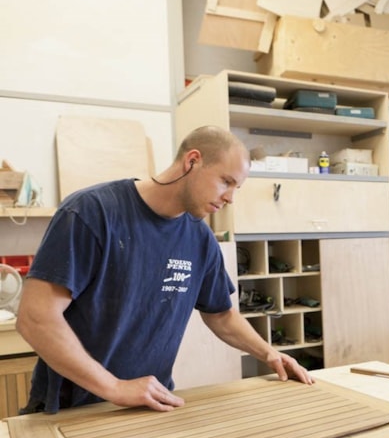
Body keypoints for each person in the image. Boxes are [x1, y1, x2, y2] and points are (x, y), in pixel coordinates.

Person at [16, 125, 314, 414]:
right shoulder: (92, 212)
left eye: (237, 187)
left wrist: (269, 353)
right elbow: (35, 318)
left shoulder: (199, 238)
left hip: (150, 402)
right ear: (192, 161)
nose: (230, 198)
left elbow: (221, 315)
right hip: (74, 409)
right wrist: (115, 387)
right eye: (226, 181)